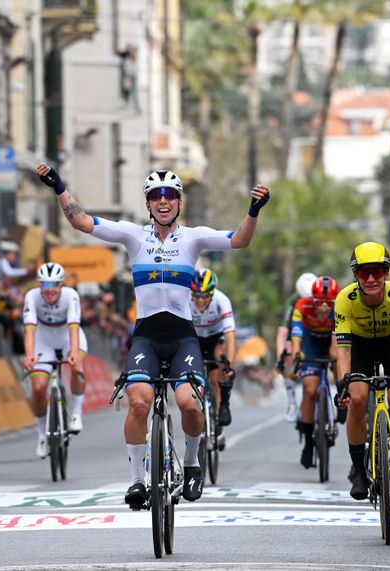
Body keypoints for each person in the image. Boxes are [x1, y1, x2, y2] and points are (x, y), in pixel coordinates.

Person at [36, 163, 269, 507]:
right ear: (147, 203)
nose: (163, 201)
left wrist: (253, 211)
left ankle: (191, 464)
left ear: (179, 201)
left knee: (190, 404)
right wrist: (58, 186)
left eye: (170, 195)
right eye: (156, 196)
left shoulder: (193, 238)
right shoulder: (133, 236)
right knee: (139, 401)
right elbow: (81, 221)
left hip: (181, 337)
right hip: (145, 335)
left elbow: (239, 240)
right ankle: (136, 481)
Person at [334, 242, 390, 500]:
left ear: (386, 272)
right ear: (355, 275)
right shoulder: (345, 300)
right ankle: (360, 471)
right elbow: (343, 351)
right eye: (364, 273)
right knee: (357, 399)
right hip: (360, 347)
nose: (371, 279)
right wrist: (343, 384)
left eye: (378, 272)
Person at [22, 262, 88, 458]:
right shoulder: (31, 297)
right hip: (44, 340)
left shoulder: (71, 296)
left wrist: (74, 354)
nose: (49, 290)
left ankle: (76, 413)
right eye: (45, 285)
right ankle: (42, 433)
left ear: (61, 285)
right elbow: (29, 330)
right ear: (39, 286)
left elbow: (74, 328)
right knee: (38, 387)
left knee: (77, 366)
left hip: (68, 337)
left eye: (54, 285)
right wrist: (29, 355)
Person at [290, 275, 338, 469]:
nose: (325, 307)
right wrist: (296, 359)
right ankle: (309, 444)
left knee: (338, 361)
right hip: (310, 343)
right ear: (312, 299)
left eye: (329, 303)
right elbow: (296, 337)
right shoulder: (301, 306)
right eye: (320, 302)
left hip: (331, 340)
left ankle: (341, 405)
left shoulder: (339, 307)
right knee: (310, 390)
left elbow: (337, 349)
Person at [190, 267, 236, 433]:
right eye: (196, 296)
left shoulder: (221, 300)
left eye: (204, 296)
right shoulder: (185, 301)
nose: (200, 301)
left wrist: (228, 365)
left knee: (218, 369)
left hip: (217, 337)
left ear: (212, 293)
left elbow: (230, 337)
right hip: (195, 337)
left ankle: (223, 405)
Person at [277, 272, 316, 422]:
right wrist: (281, 356)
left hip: (315, 332)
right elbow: (282, 332)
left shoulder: (322, 298)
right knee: (287, 351)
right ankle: (291, 402)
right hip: (296, 332)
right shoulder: (292, 302)